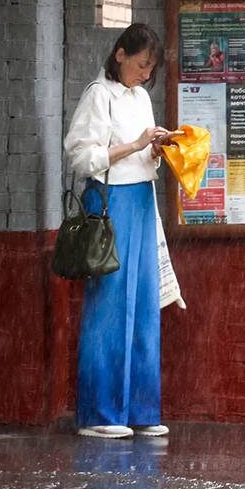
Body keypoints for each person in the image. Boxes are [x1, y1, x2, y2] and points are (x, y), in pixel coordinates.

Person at [63, 23, 175, 439]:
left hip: (143, 201)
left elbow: (141, 155)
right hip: (110, 203)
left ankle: (142, 409)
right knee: (110, 306)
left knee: (145, 304)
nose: (145, 74)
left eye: (151, 68)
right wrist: (133, 145)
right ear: (120, 55)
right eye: (141, 64)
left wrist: (157, 148)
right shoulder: (99, 94)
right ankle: (99, 413)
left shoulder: (141, 97)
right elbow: (80, 156)